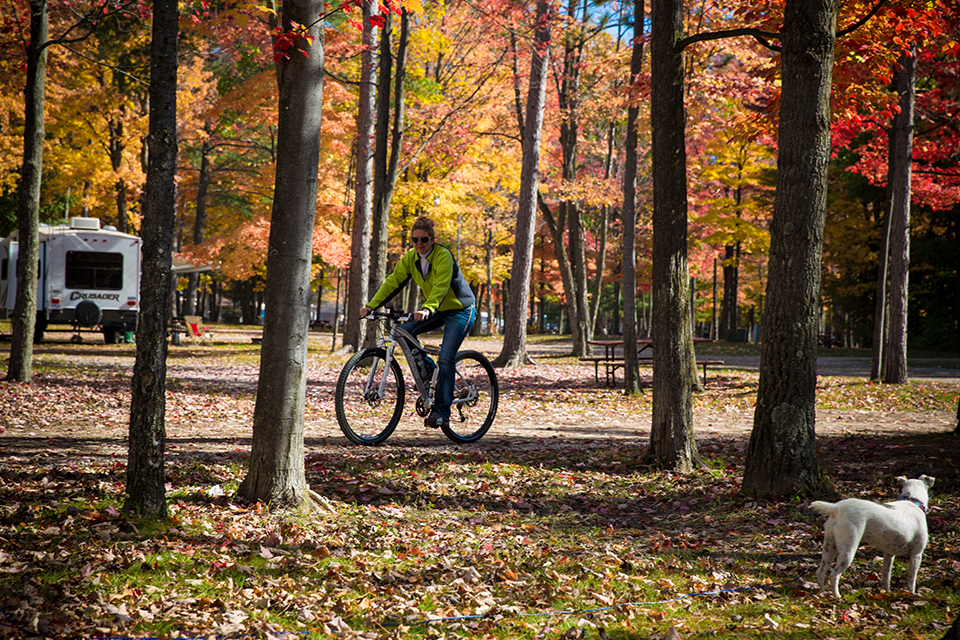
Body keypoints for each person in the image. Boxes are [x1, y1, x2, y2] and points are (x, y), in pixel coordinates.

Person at [361, 216, 476, 428]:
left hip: (460, 310)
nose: (419, 244)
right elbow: (392, 282)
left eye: (424, 239)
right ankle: (431, 374)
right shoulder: (411, 258)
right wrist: (371, 306)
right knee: (405, 332)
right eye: (415, 240)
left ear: (432, 239)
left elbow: (441, 287)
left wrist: (426, 308)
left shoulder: (443, 256)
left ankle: (442, 412)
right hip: (436, 308)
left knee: (446, 357)